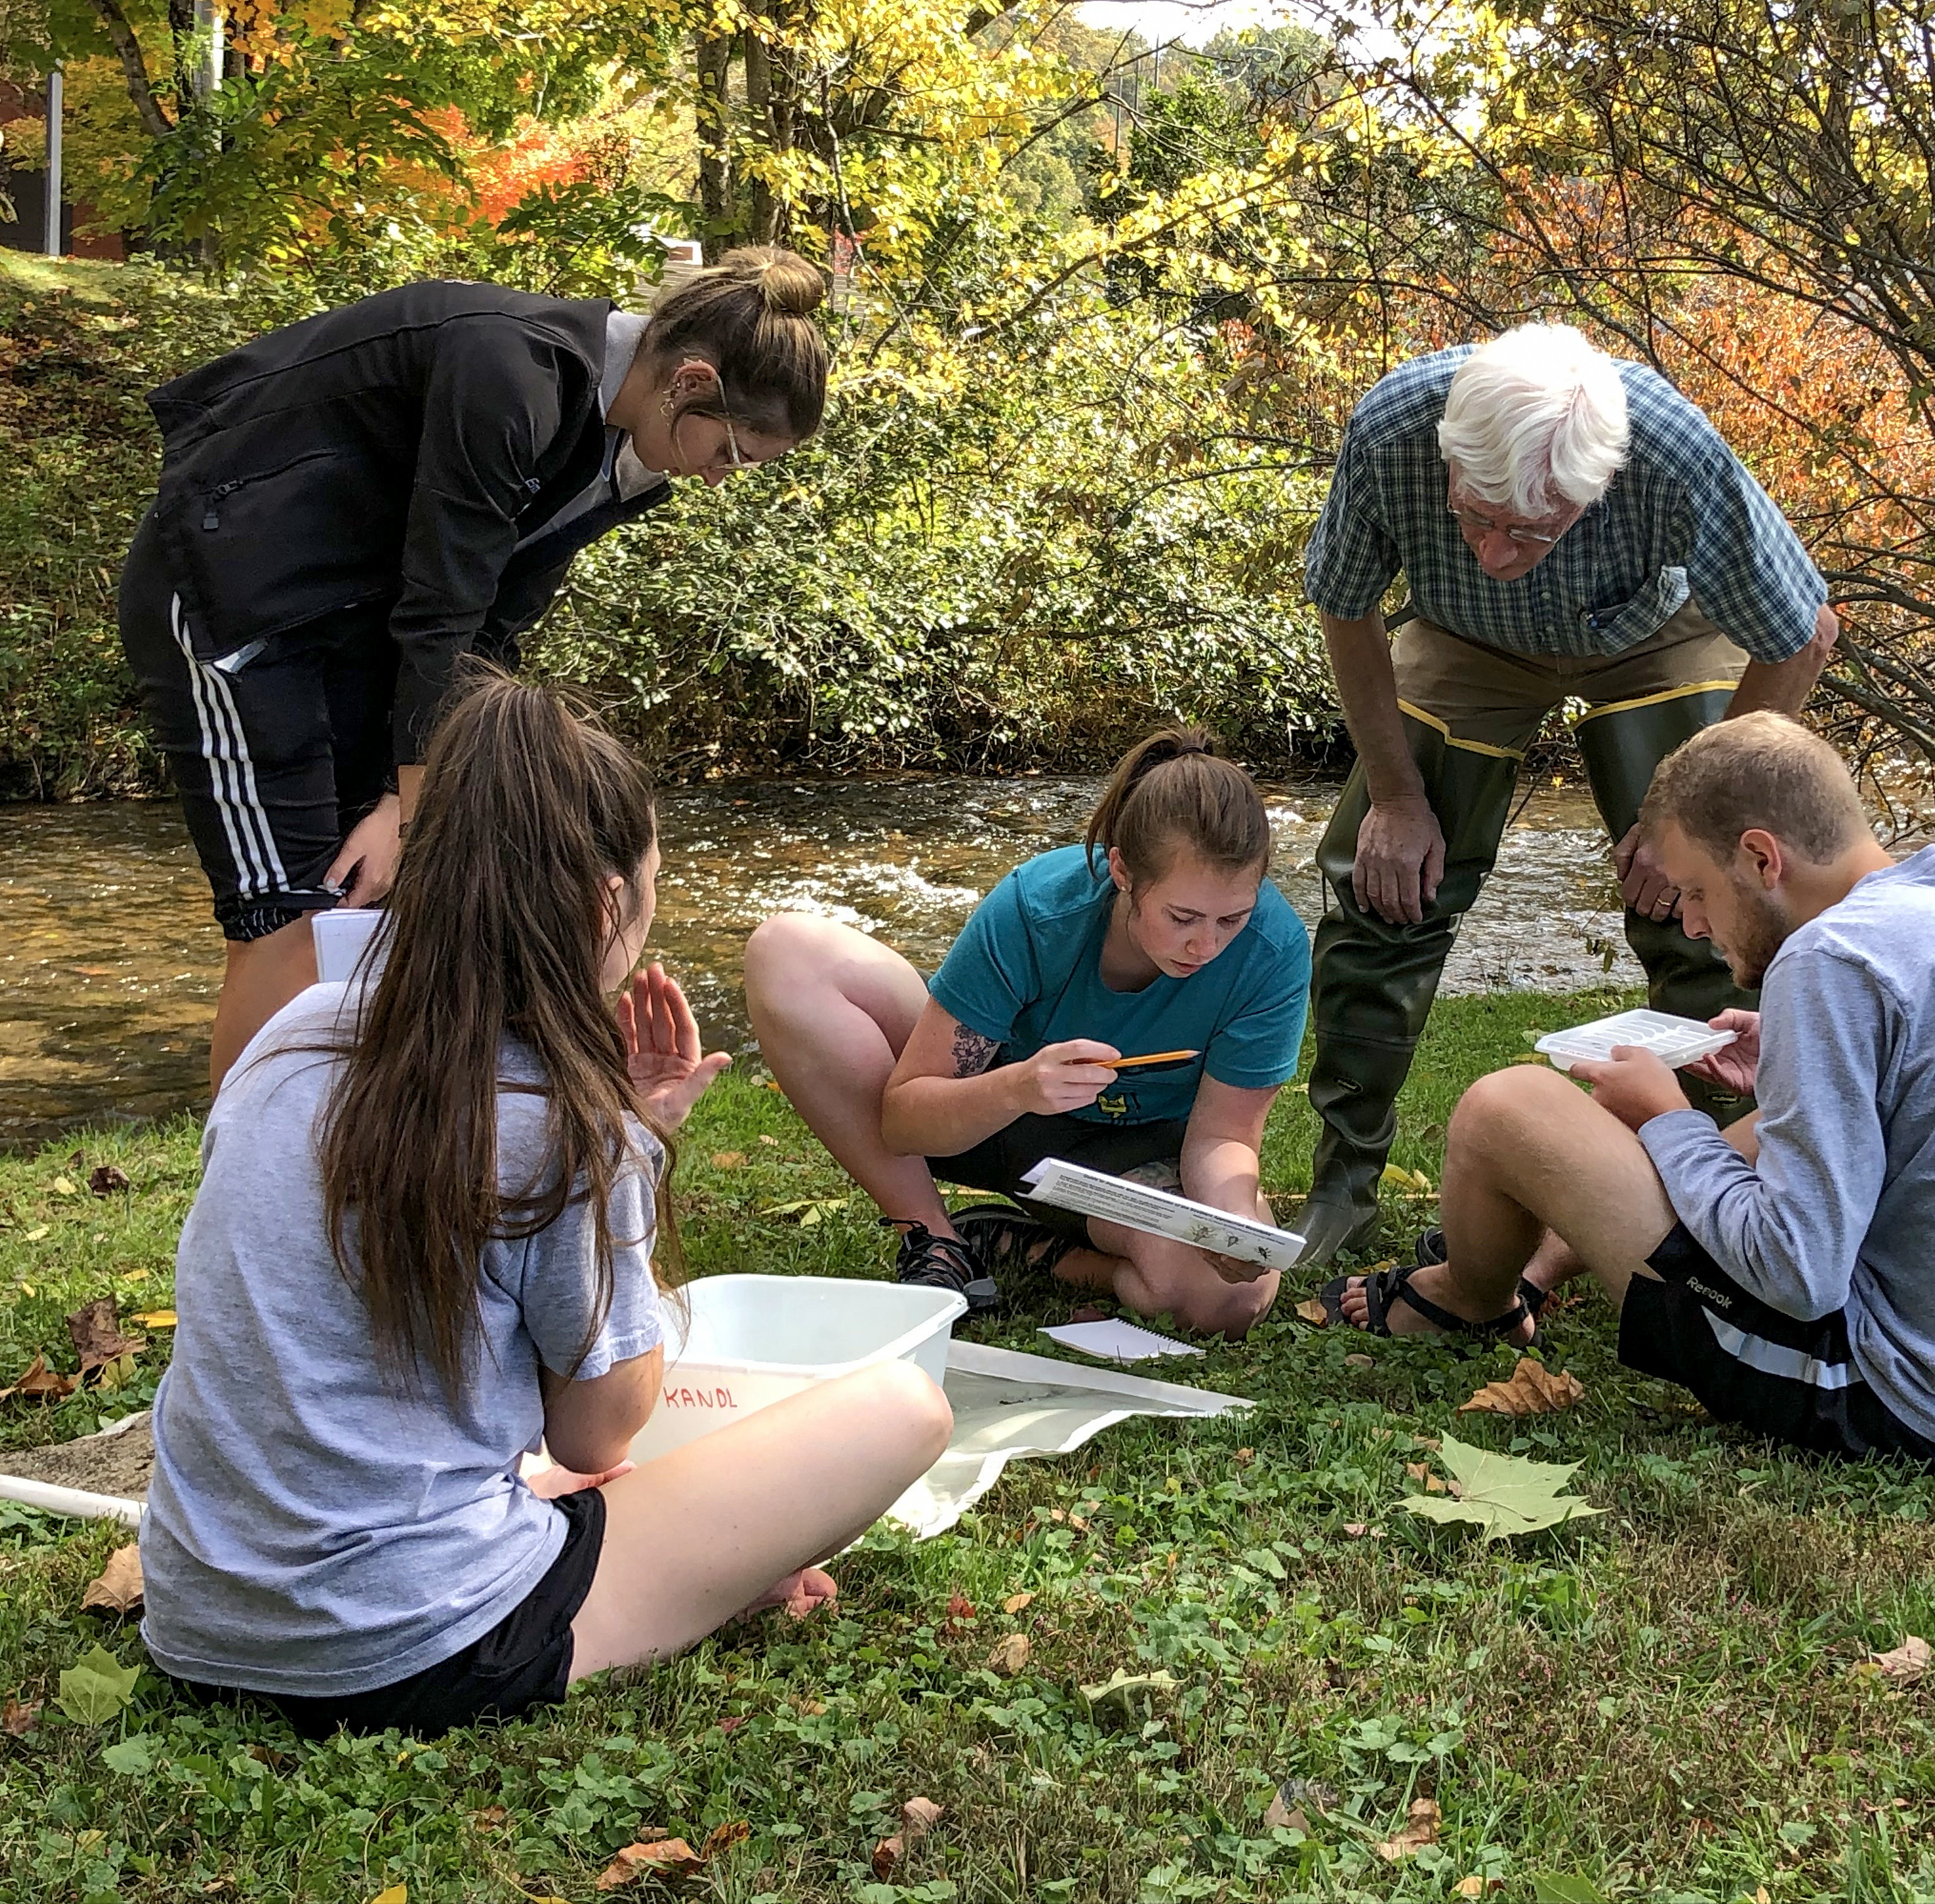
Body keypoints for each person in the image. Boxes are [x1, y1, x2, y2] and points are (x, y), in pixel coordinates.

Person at [139, 673, 953, 1737]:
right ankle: (691, 1580)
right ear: (609, 904)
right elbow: (599, 1424)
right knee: (903, 1405)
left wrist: (623, 1133)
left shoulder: (290, 1034)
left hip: (198, 1622)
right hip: (416, 1644)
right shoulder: (562, 1121)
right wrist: (633, 1145)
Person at [1326, 713, 1935, 1467]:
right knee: (1769, 1122)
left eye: (1696, 891)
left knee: (1507, 1107)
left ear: (1762, 858)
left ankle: (1470, 1300)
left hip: (1914, 1402)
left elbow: (1796, 1272)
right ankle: (1539, 1269)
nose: (1691, 924)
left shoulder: (1827, 957)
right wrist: (1787, 1069)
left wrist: (1669, 1119)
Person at [119, 246, 832, 1092]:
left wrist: (394, 802)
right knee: (289, 915)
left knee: (362, 901)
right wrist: (429, 831)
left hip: (353, 628)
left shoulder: (619, 458)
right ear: (690, 381)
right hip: (234, 601)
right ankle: (249, 1178)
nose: (723, 477)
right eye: (733, 453)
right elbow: (441, 612)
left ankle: (356, 1145)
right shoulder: (510, 370)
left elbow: (491, 627)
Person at [1295, 321, 1844, 1262]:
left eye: (1533, 527)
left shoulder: (1671, 451)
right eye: (1476, 516)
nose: (1499, 549)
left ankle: (1697, 1182)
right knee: (1385, 885)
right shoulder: (1392, 430)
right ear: (1449, 459)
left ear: (1599, 484)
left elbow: (1804, 633)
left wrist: (1687, 820)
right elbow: (1345, 606)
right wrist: (1394, 795)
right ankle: (1342, 1187)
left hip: (1653, 633)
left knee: (1710, 897)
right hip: (1463, 638)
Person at [746, 729, 1309, 1338]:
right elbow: (904, 1122)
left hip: (1131, 1154)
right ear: (1122, 871)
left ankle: (1024, 1247)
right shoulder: (1039, 907)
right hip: (990, 1105)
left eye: (1233, 917)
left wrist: (1227, 1223)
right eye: (1183, 918)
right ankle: (933, 1239)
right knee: (788, 952)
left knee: (1232, 1299)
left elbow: (1224, 1135)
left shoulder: (1272, 950)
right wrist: (1017, 1088)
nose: (1208, 945)